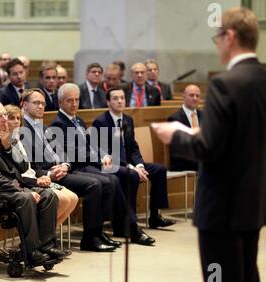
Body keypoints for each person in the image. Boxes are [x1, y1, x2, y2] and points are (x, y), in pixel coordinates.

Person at [152, 7, 266, 282]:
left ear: (231, 36)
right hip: (253, 202)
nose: (218, 45)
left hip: (222, 206)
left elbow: (206, 148)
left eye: (218, 37)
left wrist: (174, 135)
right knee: (247, 278)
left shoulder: (226, 84)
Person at [0, 99, 66, 264]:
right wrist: (22, 191)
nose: (5, 119)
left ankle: (46, 246)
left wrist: (9, 148)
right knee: (26, 198)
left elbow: (23, 166)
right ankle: (31, 251)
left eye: (5, 115)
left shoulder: (3, 137)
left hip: (9, 187)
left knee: (48, 195)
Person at [21, 88, 117, 252]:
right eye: (36, 103)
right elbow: (28, 166)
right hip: (48, 177)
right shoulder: (22, 129)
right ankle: (89, 239)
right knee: (94, 185)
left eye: (43, 103)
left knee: (107, 182)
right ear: (24, 105)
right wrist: (50, 173)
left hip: (62, 171)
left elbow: (62, 152)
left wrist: (66, 165)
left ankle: (96, 233)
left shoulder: (43, 126)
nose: (41, 106)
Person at [93, 86, 173, 234]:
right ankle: (129, 222)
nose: (120, 101)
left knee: (159, 170)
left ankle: (155, 216)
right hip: (111, 165)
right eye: (115, 99)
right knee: (132, 175)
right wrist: (131, 167)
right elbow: (106, 153)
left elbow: (133, 147)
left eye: (122, 98)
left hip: (129, 163)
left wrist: (140, 164)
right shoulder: (101, 122)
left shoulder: (128, 120)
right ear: (108, 102)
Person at [5, 104, 78, 229]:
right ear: (5, 120)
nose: (16, 121)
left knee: (73, 198)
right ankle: (44, 239)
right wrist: (37, 180)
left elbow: (32, 165)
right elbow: (14, 173)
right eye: (12, 118)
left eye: (18, 118)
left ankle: (46, 237)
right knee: (63, 199)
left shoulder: (20, 138)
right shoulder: (5, 142)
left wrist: (45, 176)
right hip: (26, 183)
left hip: (36, 178)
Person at [167, 84, 203, 171]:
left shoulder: (204, 116)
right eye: (191, 95)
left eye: (197, 96)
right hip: (184, 162)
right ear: (183, 96)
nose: (195, 98)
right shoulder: (175, 119)